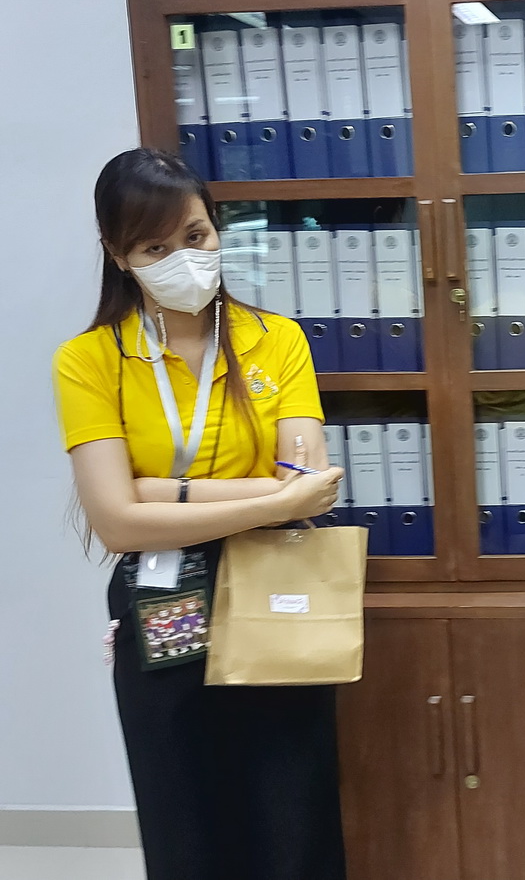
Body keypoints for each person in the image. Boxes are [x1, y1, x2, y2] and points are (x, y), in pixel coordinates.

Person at [52, 148, 348, 880]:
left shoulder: (275, 340)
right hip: (164, 595)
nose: (183, 258)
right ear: (118, 254)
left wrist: (156, 491)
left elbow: (308, 488)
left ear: (217, 228)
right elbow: (115, 524)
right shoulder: (88, 360)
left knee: (293, 817)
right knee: (184, 823)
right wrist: (270, 499)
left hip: (275, 586)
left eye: (195, 236)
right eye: (155, 248)